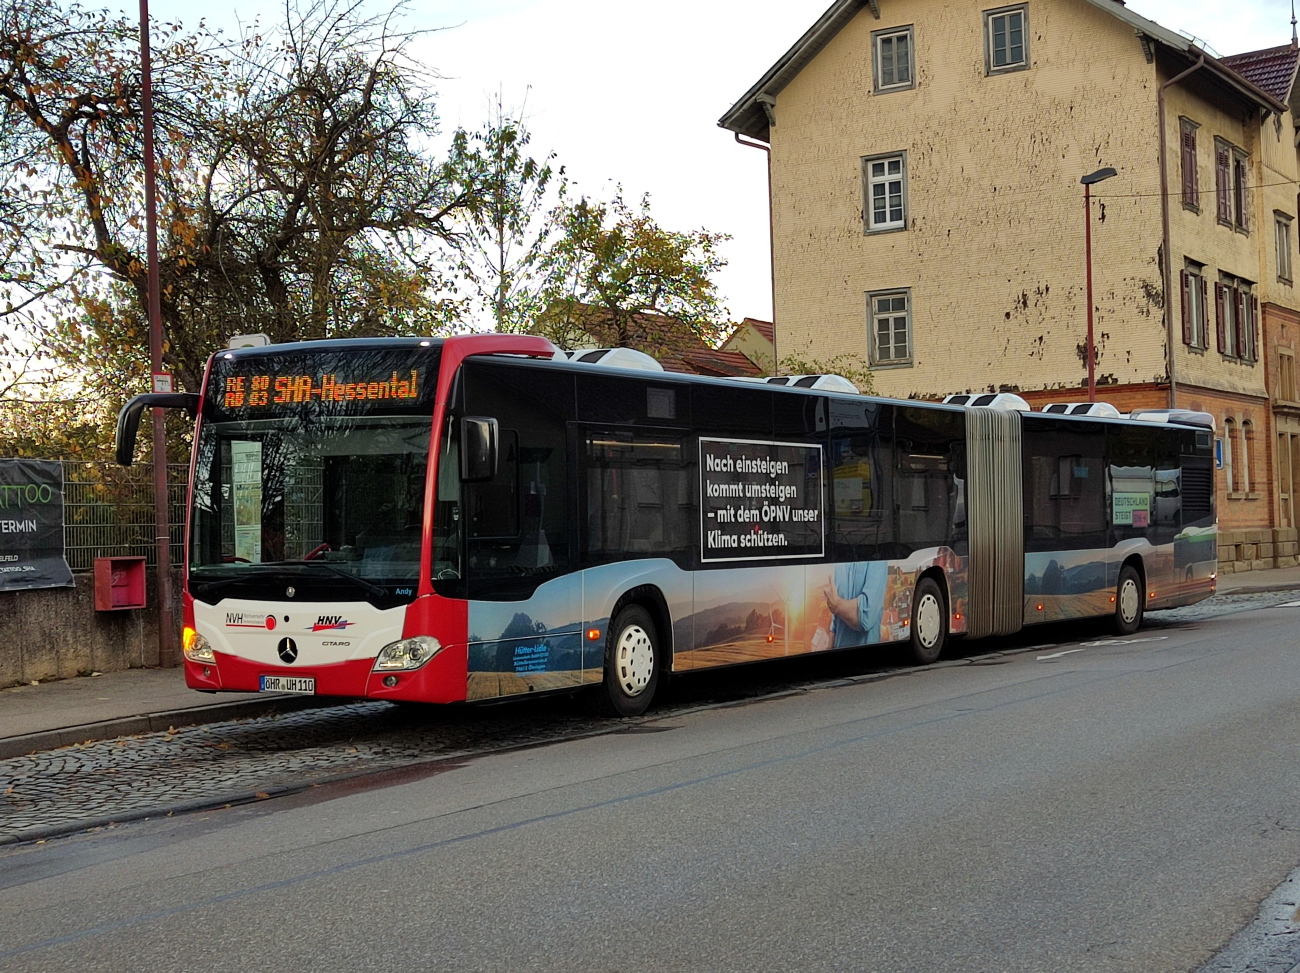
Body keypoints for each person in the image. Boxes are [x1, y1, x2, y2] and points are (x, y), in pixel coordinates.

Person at [822, 560, 888, 647]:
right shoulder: (840, 563)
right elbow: (836, 620)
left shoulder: (878, 559)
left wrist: (837, 606)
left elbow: (865, 617)